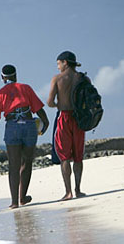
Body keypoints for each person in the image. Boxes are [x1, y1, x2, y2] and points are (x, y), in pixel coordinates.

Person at [0, 64, 49, 209]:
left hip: (12, 126)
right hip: (28, 125)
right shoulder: (26, 88)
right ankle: (23, 197)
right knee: (27, 162)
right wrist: (45, 122)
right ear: (15, 76)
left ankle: (14, 202)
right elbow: (38, 109)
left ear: (2, 78)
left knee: (13, 165)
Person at [47, 51, 87, 200]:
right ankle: (78, 189)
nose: (58, 67)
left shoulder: (58, 79)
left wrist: (59, 104)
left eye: (58, 64)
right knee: (78, 156)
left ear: (65, 62)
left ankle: (68, 192)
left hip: (64, 117)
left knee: (64, 156)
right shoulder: (83, 78)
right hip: (79, 119)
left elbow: (50, 102)